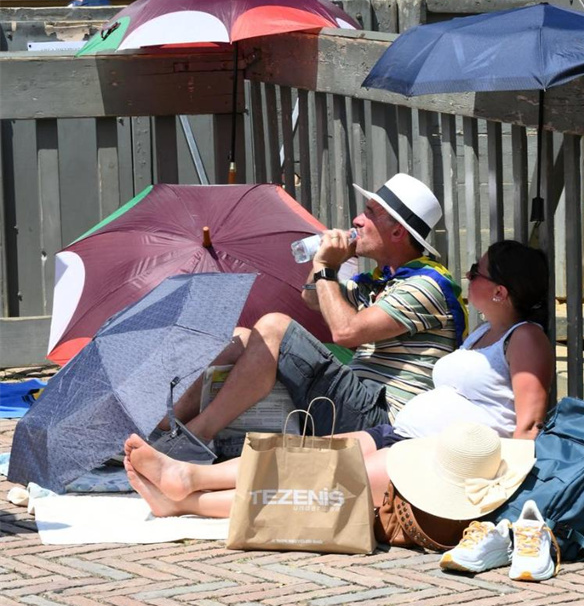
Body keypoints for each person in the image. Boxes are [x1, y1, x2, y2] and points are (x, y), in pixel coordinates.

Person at [124, 239, 553, 516]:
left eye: (477, 273)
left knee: (310, 489)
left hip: (431, 456)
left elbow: (528, 426)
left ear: (500, 291)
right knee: (295, 457)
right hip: (400, 433)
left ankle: (187, 500)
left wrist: (506, 502)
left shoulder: (526, 338)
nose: (468, 277)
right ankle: (186, 479)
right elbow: (313, 299)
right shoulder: (482, 333)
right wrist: (323, 264)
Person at [151, 174, 465, 462]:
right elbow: (313, 297)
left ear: (397, 231)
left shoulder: (426, 285)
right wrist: (320, 260)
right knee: (244, 337)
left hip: (383, 422)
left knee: (274, 326)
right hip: (355, 404)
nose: (357, 219)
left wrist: (328, 268)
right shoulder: (382, 280)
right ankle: (167, 425)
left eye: (370, 212)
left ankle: (195, 438)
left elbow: (345, 331)